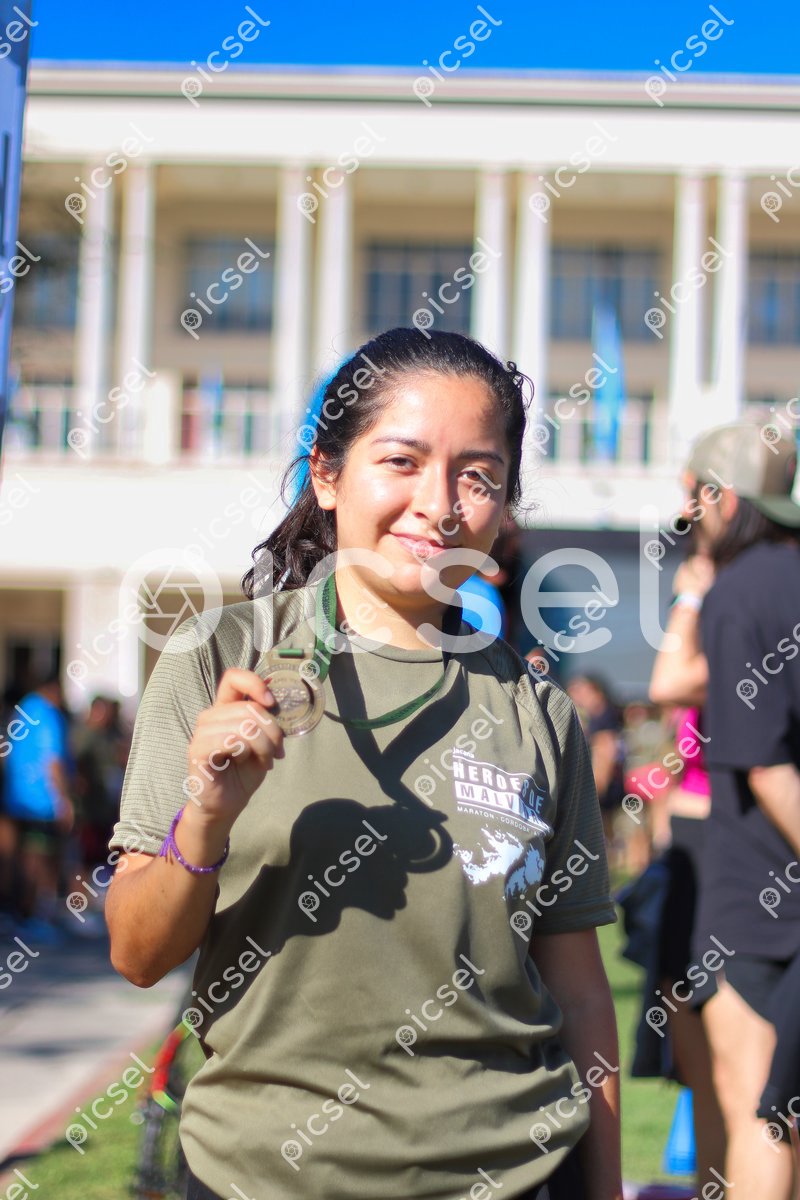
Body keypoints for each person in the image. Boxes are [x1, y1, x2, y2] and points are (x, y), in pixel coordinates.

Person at [106, 328, 622, 1200]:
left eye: (478, 476)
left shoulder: (539, 713)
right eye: (402, 462)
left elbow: (579, 996)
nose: (440, 505)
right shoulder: (219, 659)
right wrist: (206, 817)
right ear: (327, 474)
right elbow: (137, 952)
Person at [671, 422, 800, 1200]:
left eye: (694, 500)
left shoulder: (739, 593)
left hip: (754, 897)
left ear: (722, 499)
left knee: (760, 1110)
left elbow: (765, 766)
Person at [646, 537, 727, 1194]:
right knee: (701, 1063)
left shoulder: (747, 631)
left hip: (729, 852)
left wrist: (693, 600)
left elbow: (666, 682)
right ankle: (710, 1185)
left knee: (744, 1072)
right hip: (691, 849)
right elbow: (677, 741)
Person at [2, 674, 75, 940]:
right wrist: (62, 800)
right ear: (54, 690)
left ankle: (19, 916)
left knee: (20, 859)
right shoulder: (48, 714)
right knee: (41, 861)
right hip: (41, 801)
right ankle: (35, 918)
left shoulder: (24, 709)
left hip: (16, 798)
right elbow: (52, 761)